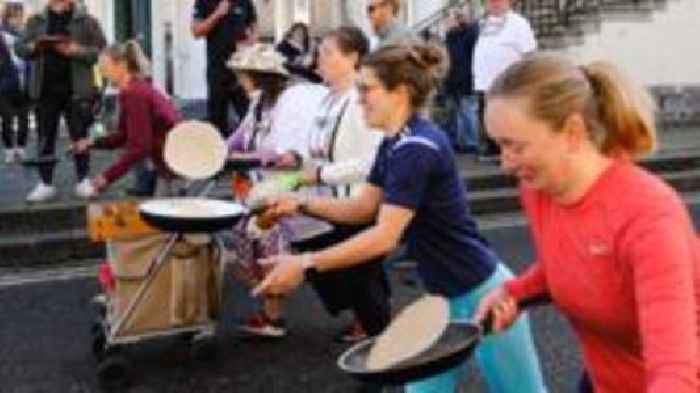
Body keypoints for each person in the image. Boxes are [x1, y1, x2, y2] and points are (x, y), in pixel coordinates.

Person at [253, 44, 548, 393]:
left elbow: (383, 237)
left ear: (401, 93)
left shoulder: (416, 148)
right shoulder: (393, 143)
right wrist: (299, 204)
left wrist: (305, 263)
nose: (359, 99)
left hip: (484, 291)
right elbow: (363, 208)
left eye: (367, 90)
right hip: (443, 297)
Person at [474, 54, 700, 393]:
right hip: (603, 379)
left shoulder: (649, 217)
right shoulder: (539, 190)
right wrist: (514, 293)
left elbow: (675, 367)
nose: (505, 163)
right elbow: (570, 259)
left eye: (514, 146)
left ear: (572, 132)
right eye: (498, 145)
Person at [292, 26, 389, 344]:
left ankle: (382, 346)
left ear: (353, 58)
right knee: (356, 274)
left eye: (328, 52)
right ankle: (373, 328)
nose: (319, 58)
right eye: (319, 51)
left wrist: (320, 176)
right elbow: (318, 148)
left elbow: (371, 162)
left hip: (359, 203)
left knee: (359, 276)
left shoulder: (363, 100)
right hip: (332, 203)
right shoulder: (328, 98)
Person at [15, 0, 106, 202]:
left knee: (79, 134)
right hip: (45, 89)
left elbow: (100, 50)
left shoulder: (86, 21)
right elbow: (19, 48)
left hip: (77, 89)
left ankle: (83, 180)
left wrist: (76, 51)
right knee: (45, 136)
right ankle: (45, 183)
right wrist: (35, 47)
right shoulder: (36, 21)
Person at [72, 41, 181, 197]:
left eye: (105, 66)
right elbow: (124, 135)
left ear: (121, 65)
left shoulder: (134, 93)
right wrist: (92, 143)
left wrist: (106, 177)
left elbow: (140, 146)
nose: (102, 72)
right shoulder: (133, 90)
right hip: (170, 164)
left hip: (178, 163)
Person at [473, 0, 535, 157]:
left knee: (505, 120)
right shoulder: (484, 23)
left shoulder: (519, 23)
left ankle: (505, 150)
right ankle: (490, 148)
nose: (494, 3)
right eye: (490, 1)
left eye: (498, 1)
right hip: (484, 83)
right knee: (486, 117)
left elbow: (529, 54)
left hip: (507, 85)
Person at [192, 0, 257, 137]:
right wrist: (217, 14)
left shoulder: (245, 3)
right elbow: (196, 32)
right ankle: (219, 155)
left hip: (241, 71)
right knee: (217, 121)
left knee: (250, 117)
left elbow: (254, 28)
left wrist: (250, 41)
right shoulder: (203, 2)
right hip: (218, 71)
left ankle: (248, 154)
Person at [443, 5, 480, 154]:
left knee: (467, 110)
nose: (457, 19)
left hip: (466, 77)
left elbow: (472, 56)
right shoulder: (451, 36)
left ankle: (471, 142)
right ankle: (457, 141)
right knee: (454, 112)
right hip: (452, 78)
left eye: (460, 16)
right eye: (455, 16)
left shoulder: (472, 33)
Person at [0, 2, 30, 164]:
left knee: (24, 118)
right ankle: (9, 149)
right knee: (7, 118)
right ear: (7, 17)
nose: (18, 20)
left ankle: (21, 147)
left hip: (24, 82)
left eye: (19, 17)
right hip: (5, 83)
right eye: (14, 17)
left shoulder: (25, 34)